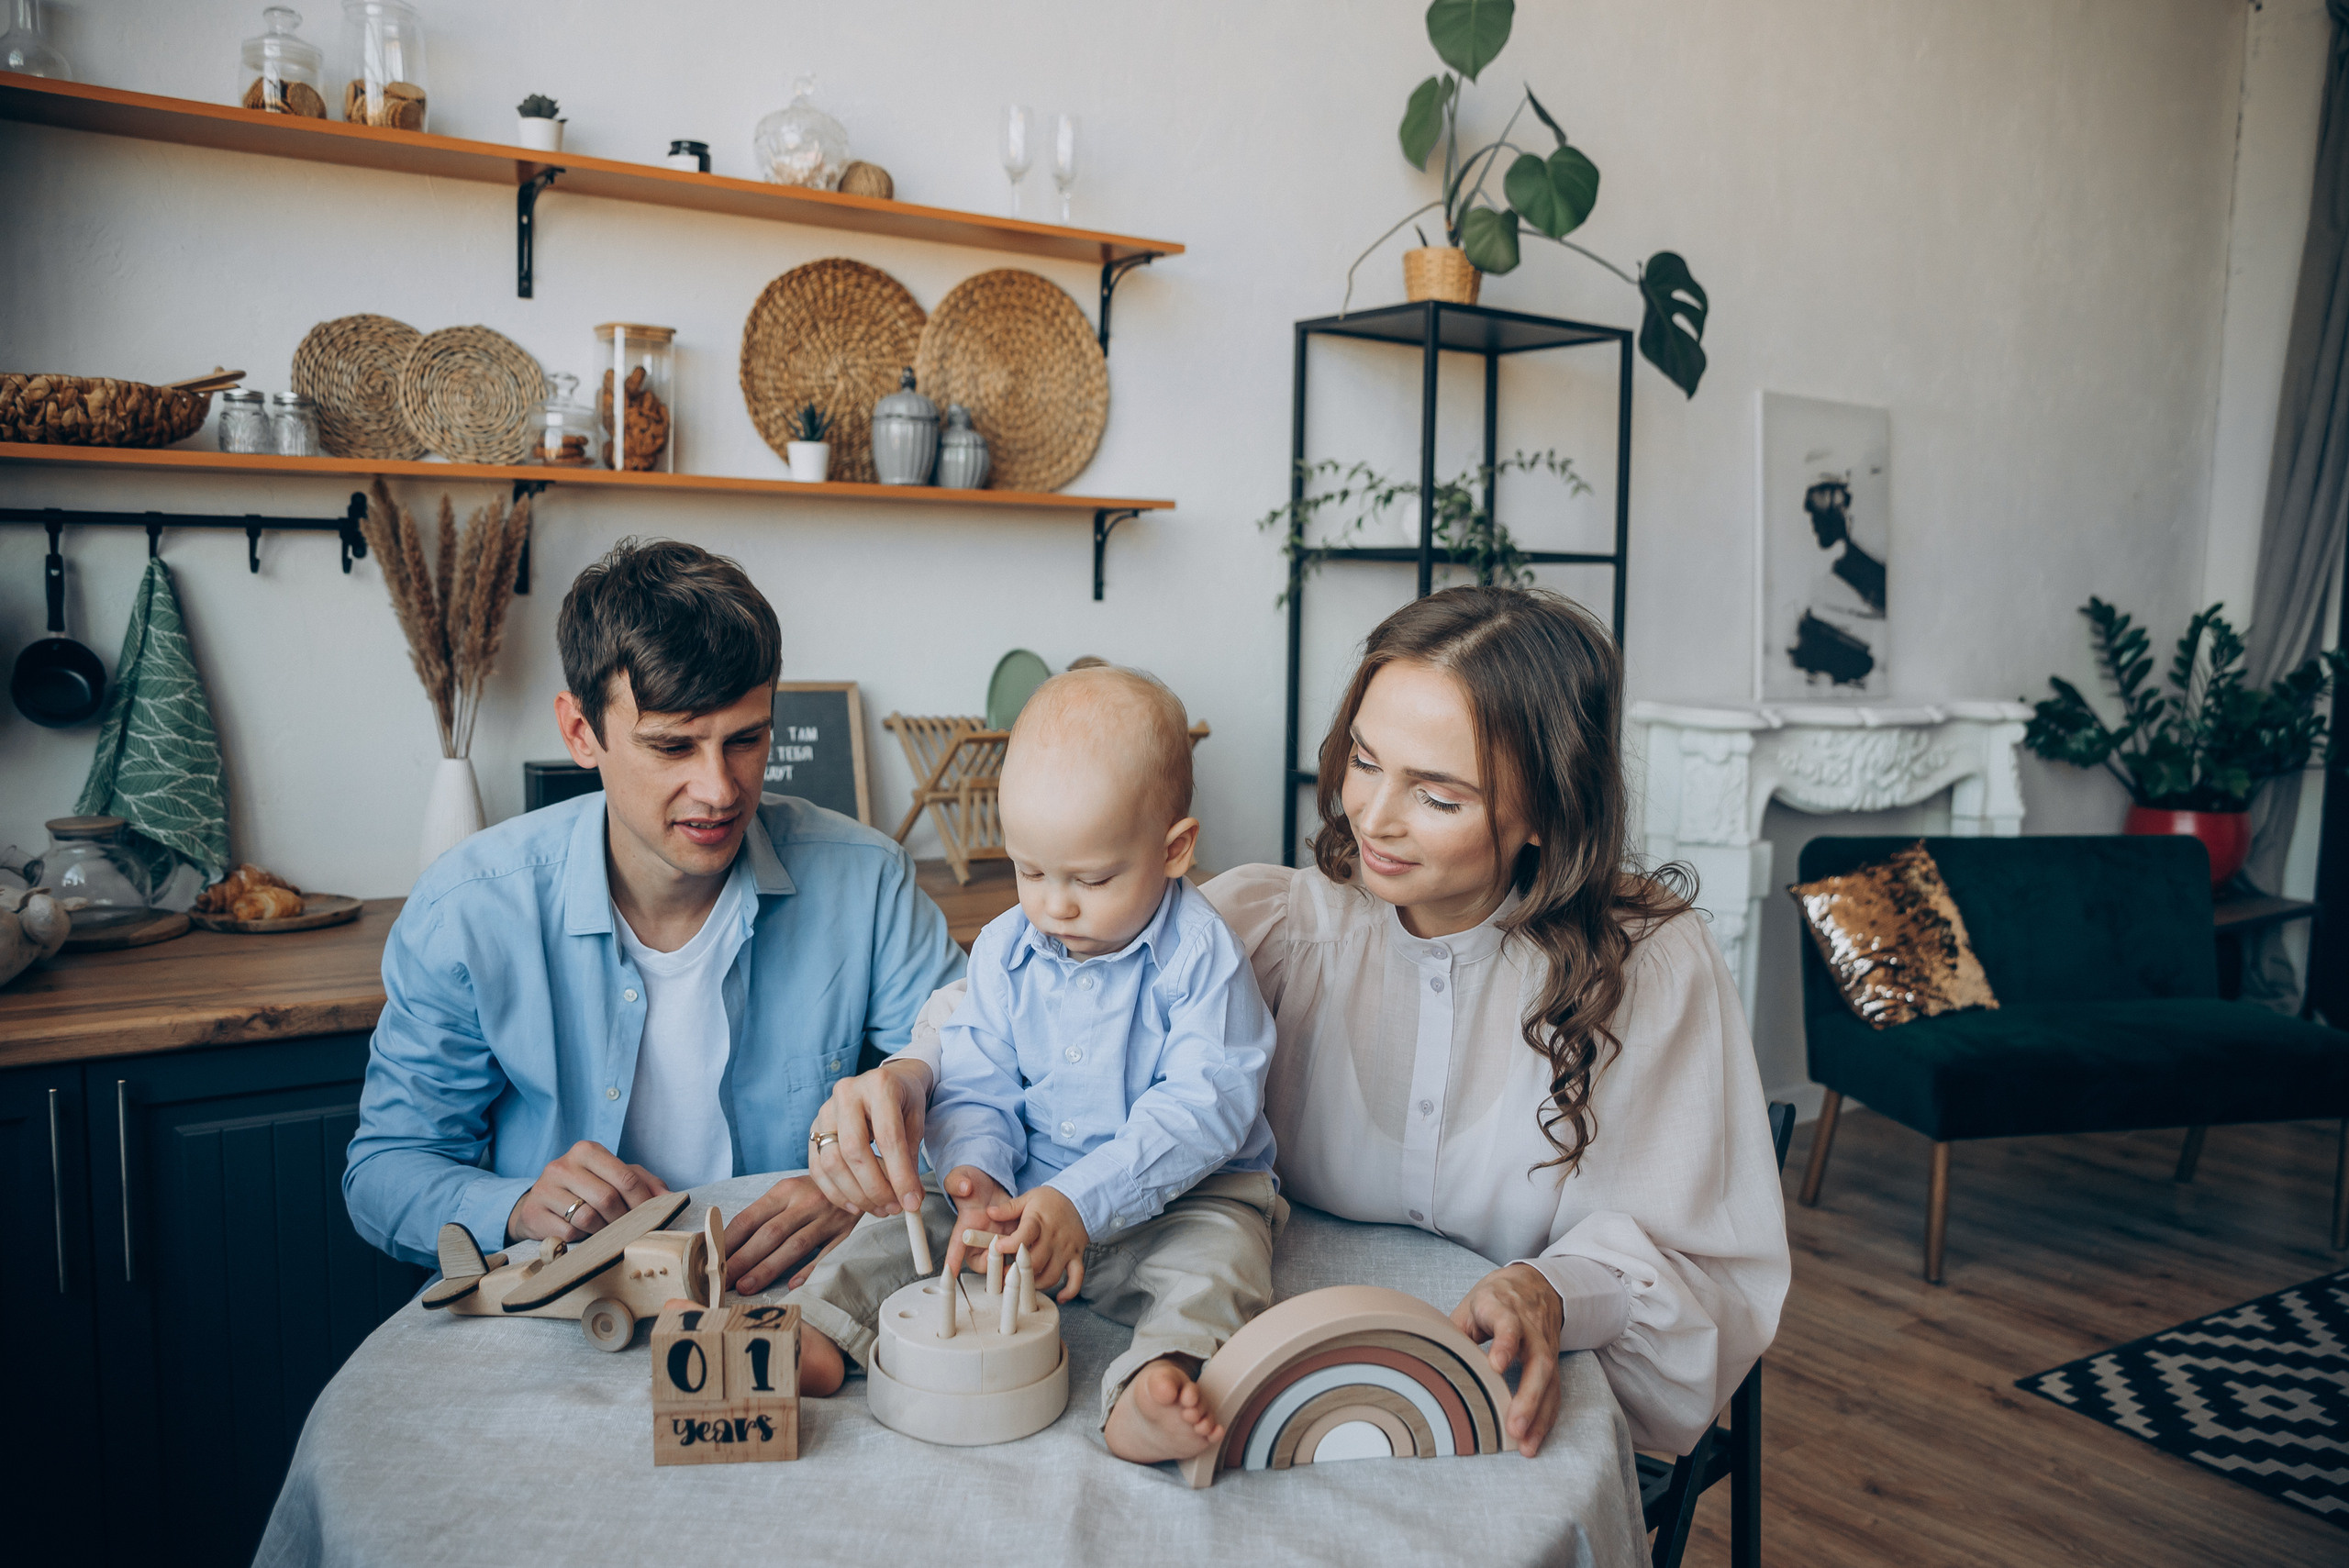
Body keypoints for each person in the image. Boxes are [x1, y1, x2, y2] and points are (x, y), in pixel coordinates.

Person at [811, 586, 1789, 1459]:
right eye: (1363, 760)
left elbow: (1701, 1257)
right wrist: (909, 1074)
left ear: (1547, 807)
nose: (1372, 815)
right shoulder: (1280, 923)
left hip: (1475, 1403)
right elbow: (1008, 998)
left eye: (1438, 793)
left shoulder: (1648, 966)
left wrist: (1554, 1288)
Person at [344, 539, 964, 1296]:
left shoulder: (868, 881)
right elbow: (382, 1172)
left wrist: (855, 1190)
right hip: (561, 1310)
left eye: (746, 739)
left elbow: (990, 1091)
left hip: (799, 1308)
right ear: (580, 733)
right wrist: (513, 1207)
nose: (718, 788)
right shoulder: (466, 911)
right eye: (671, 746)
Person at [785, 665, 1280, 1464]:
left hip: (1181, 1197)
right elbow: (976, 1071)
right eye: (1031, 869)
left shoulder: (1203, 956)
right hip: (1021, 1195)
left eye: (1092, 877)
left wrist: (1081, 1202)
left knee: (1223, 1267)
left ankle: (1159, 1380)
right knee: (890, 1235)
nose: (1055, 904)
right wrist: (979, 1173)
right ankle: (820, 1328)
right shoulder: (1008, 945)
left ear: (1175, 848)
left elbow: (1205, 1106)